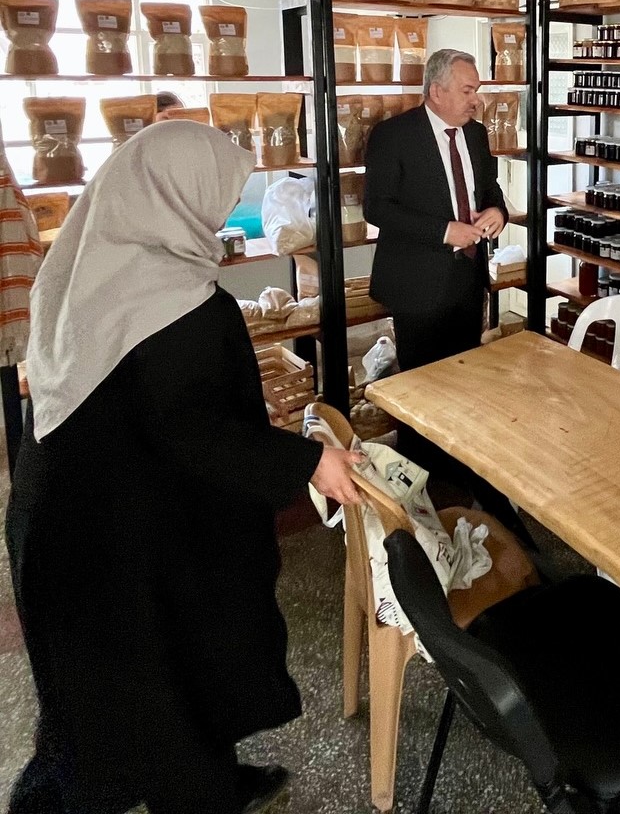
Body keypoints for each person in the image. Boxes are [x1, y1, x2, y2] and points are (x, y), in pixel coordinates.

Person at [6, 121, 363, 814]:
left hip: (63, 517)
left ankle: (204, 785)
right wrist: (310, 460)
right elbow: (198, 433)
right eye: (217, 198)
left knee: (118, 690)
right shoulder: (181, 307)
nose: (222, 216)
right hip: (117, 538)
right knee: (155, 681)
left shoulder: (82, 267)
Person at [364, 48, 507, 373]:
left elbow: (489, 189)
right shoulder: (393, 135)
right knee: (421, 383)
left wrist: (497, 212)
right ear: (437, 92)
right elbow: (377, 208)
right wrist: (444, 231)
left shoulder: (476, 134)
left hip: (468, 279)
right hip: (417, 283)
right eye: (467, 91)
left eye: (476, 90)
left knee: (466, 373)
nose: (476, 100)